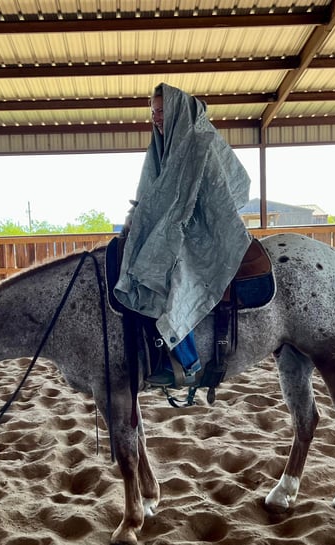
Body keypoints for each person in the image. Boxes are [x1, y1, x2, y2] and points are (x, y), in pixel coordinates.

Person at [113, 83, 252, 386]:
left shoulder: (199, 144)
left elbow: (217, 200)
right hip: (177, 228)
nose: (156, 118)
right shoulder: (162, 148)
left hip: (205, 232)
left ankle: (187, 362)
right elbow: (153, 193)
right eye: (153, 112)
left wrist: (171, 225)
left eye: (161, 111)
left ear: (176, 111)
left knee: (169, 276)